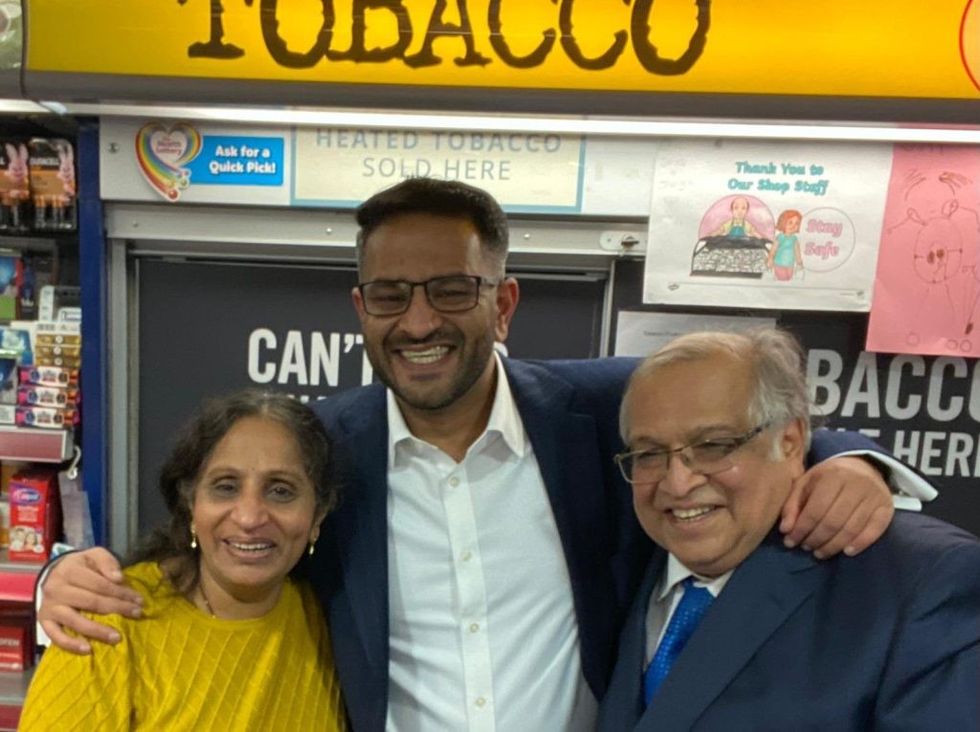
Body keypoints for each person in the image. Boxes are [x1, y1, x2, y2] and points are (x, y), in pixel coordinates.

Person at [39, 179, 931, 731]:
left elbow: (740, 408)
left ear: (503, 304)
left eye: (452, 290)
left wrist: (851, 459)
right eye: (391, 294)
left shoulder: (600, 409)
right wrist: (64, 574)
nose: (419, 320)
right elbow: (218, 540)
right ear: (361, 310)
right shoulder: (321, 448)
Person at [599, 328, 979, 731]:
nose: (677, 484)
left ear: (791, 442)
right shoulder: (620, 552)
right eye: (650, 454)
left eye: (713, 446)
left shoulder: (922, 583)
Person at [20, 390, 347, 730]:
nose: (250, 517)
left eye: (281, 491)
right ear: (191, 503)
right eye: (226, 487)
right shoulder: (106, 620)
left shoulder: (331, 623)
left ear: (318, 514)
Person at [767, 208, 804, 280]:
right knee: (782, 278)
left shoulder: (794, 239)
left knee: (788, 278)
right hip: (779, 263)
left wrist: (799, 262)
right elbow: (773, 250)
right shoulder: (780, 237)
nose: (793, 226)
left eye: (796, 223)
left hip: (790, 264)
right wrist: (770, 258)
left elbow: (797, 251)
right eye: (790, 222)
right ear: (783, 223)